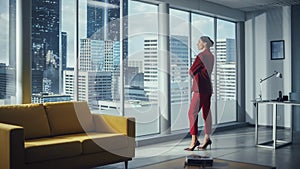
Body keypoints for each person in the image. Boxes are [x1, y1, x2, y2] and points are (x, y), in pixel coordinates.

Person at [184, 36, 214, 151]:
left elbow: (191, 71)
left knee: (192, 113)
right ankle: (207, 138)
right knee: (206, 113)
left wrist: (193, 75)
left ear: (205, 43)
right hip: (208, 88)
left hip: (200, 89)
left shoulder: (201, 56)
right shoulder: (211, 56)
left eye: (199, 42)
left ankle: (194, 140)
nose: (197, 44)